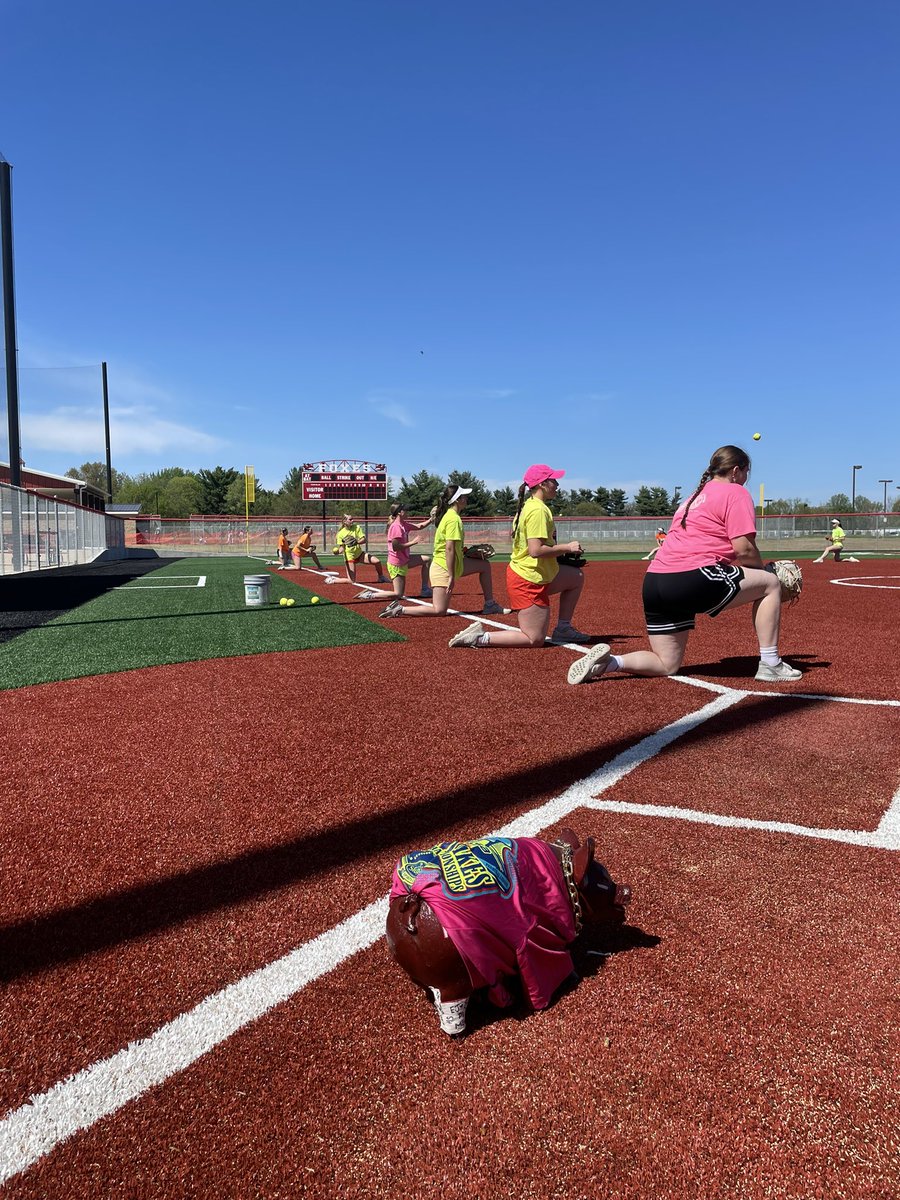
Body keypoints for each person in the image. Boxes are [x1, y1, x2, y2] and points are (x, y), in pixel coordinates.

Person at [567, 445, 802, 685]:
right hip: (693, 576)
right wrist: (762, 571)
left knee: (666, 664)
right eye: (745, 473)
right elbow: (744, 548)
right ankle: (771, 664)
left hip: (655, 581)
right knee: (770, 584)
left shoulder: (693, 498)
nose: (745, 479)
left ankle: (609, 663)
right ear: (735, 471)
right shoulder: (736, 492)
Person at [445, 464, 591, 650]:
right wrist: (567, 548)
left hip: (537, 572)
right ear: (542, 484)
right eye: (553, 480)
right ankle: (480, 637)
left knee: (575, 577)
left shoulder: (529, 506)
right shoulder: (537, 510)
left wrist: (557, 553)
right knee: (534, 639)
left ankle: (563, 628)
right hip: (529, 579)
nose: (557, 484)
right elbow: (535, 550)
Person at [379, 484, 509, 619]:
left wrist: (465, 552)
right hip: (444, 567)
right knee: (439, 610)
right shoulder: (453, 519)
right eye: (464, 496)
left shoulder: (450, 516)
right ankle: (400, 609)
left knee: (484, 565)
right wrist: (452, 576)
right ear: (457, 500)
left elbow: (451, 547)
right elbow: (449, 548)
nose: (466, 498)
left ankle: (489, 604)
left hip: (448, 564)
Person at [384, 503, 432, 600]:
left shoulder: (403, 524)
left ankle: (425, 589)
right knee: (398, 594)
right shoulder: (396, 527)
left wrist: (431, 519)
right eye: (406, 510)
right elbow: (396, 547)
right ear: (400, 513)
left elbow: (419, 526)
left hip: (404, 559)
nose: (408, 512)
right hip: (397, 563)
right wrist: (413, 542)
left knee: (426, 560)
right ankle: (370, 595)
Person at [332, 514, 387, 587]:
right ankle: (333, 580)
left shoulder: (356, 527)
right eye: (350, 519)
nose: (353, 520)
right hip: (349, 557)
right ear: (345, 521)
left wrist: (357, 542)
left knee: (377, 561)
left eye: (352, 519)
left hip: (359, 554)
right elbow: (342, 548)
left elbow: (364, 540)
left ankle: (381, 577)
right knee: (352, 581)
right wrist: (337, 552)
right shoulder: (340, 534)